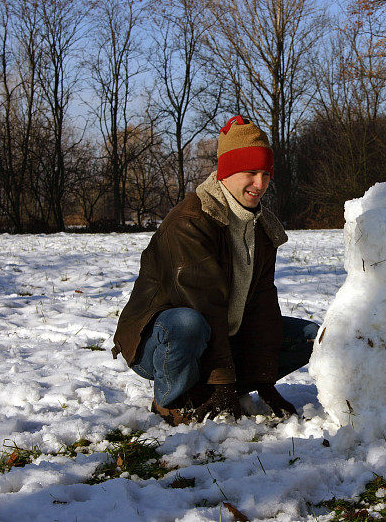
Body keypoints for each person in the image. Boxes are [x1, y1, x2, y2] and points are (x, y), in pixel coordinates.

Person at [111, 115, 319, 425]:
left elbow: (262, 306)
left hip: (222, 334)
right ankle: (171, 398)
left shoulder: (262, 228)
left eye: (265, 174)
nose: (259, 184)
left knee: (310, 337)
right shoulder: (190, 222)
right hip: (163, 341)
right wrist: (223, 383)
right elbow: (204, 306)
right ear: (226, 171)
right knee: (188, 323)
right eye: (250, 172)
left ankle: (217, 386)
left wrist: (265, 383)